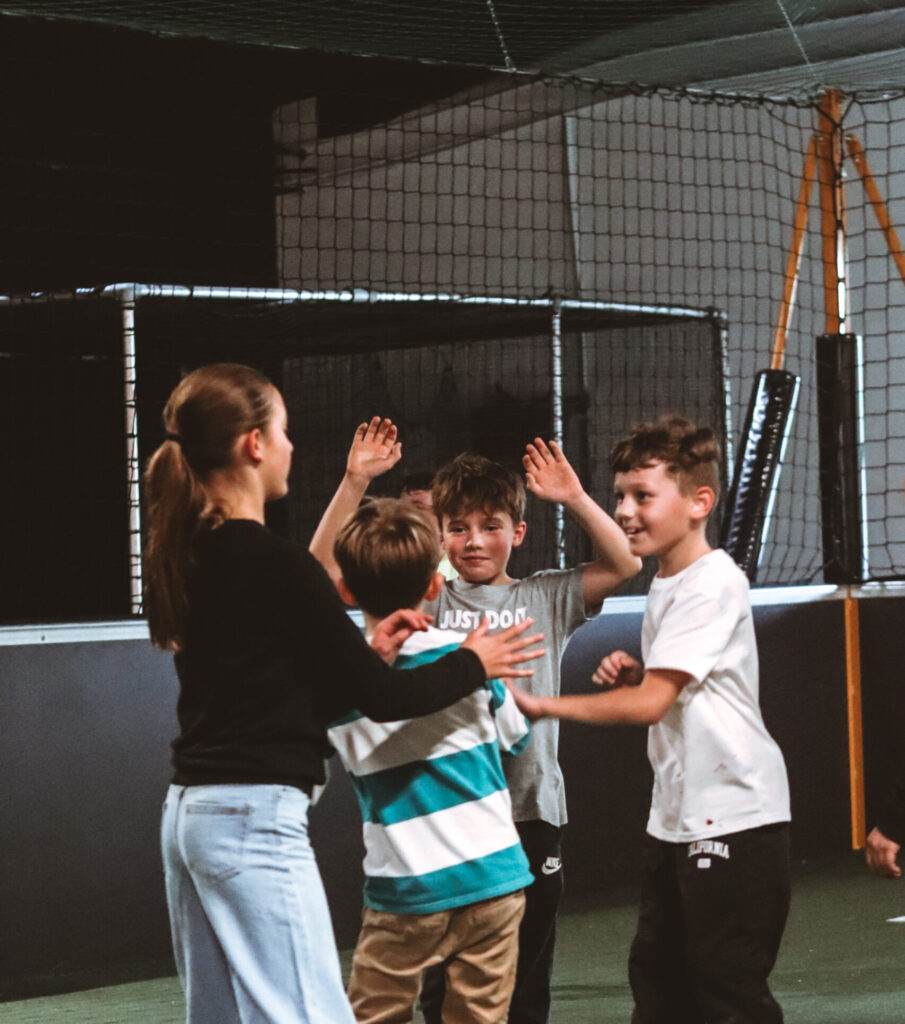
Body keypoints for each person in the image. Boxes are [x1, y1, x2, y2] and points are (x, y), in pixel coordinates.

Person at [143, 365, 543, 1024]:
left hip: (189, 819)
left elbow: (273, 699)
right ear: (253, 444)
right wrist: (473, 662)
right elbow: (381, 697)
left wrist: (370, 652)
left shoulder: (194, 553)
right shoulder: (279, 564)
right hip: (252, 822)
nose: (291, 446)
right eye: (284, 430)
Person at [310, 427, 638, 1024]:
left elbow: (626, 562)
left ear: (518, 533)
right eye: (458, 528)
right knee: (444, 989)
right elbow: (326, 572)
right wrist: (356, 480)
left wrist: (574, 498)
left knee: (526, 979)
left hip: (530, 809)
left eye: (491, 527)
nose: (474, 541)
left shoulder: (548, 596)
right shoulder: (431, 601)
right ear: (438, 540)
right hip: (445, 825)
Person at [511, 415, 792, 1024]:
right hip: (676, 818)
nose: (628, 511)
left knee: (726, 989)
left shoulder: (713, 582)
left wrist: (540, 703)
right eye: (620, 496)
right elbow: (679, 689)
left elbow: (652, 706)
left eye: (643, 496)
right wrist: (641, 674)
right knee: (658, 981)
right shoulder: (668, 581)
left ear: (699, 502)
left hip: (738, 816)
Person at [327, 497, 534, 1024]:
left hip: (406, 892)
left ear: (347, 591)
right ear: (434, 584)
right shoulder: (474, 661)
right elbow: (515, 741)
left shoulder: (341, 686)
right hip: (495, 878)